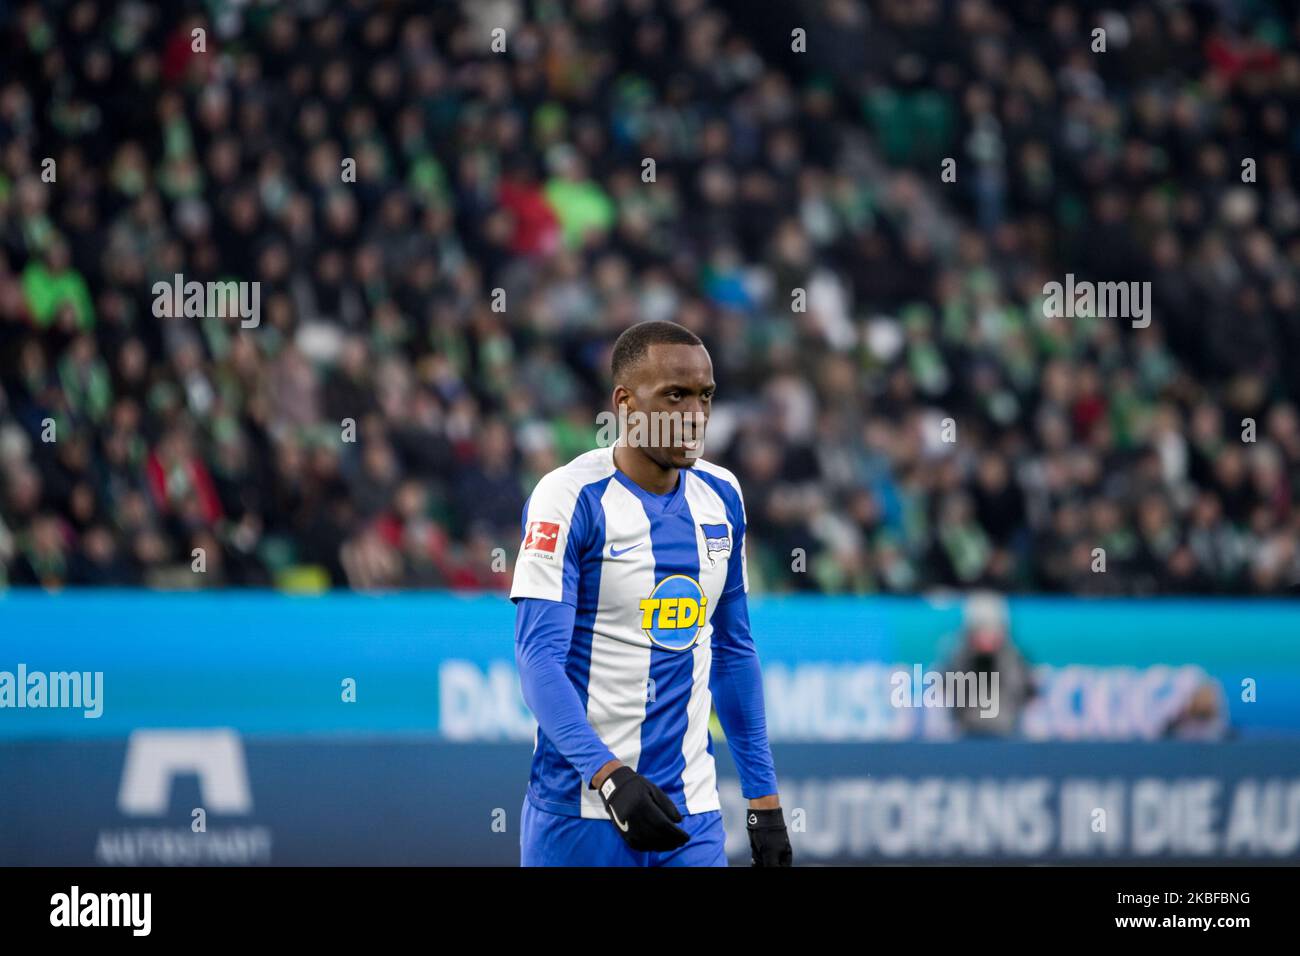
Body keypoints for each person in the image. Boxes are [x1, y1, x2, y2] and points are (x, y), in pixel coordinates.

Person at [511, 320, 791, 866]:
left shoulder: (723, 496)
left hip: (693, 815)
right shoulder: (569, 499)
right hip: (580, 812)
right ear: (625, 403)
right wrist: (610, 776)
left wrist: (763, 800)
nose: (695, 415)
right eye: (675, 395)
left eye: (705, 396)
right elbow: (538, 660)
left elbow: (734, 653)